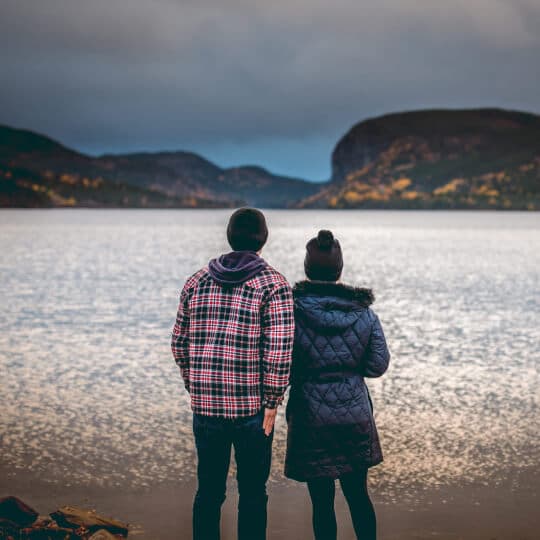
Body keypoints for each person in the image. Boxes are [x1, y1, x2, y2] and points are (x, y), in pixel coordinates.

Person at [171, 207, 295, 540]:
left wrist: (194, 384)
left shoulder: (196, 281)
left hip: (206, 408)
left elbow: (178, 344)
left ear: (229, 237)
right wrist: (272, 402)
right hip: (253, 413)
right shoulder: (274, 285)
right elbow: (279, 351)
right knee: (253, 493)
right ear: (263, 239)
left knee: (208, 492)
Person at [284, 229, 390, 540]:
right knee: (358, 496)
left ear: (307, 269)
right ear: (339, 270)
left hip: (310, 416)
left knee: (321, 503)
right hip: (353, 414)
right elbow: (377, 365)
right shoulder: (365, 314)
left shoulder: (292, 311)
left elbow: (283, 363)